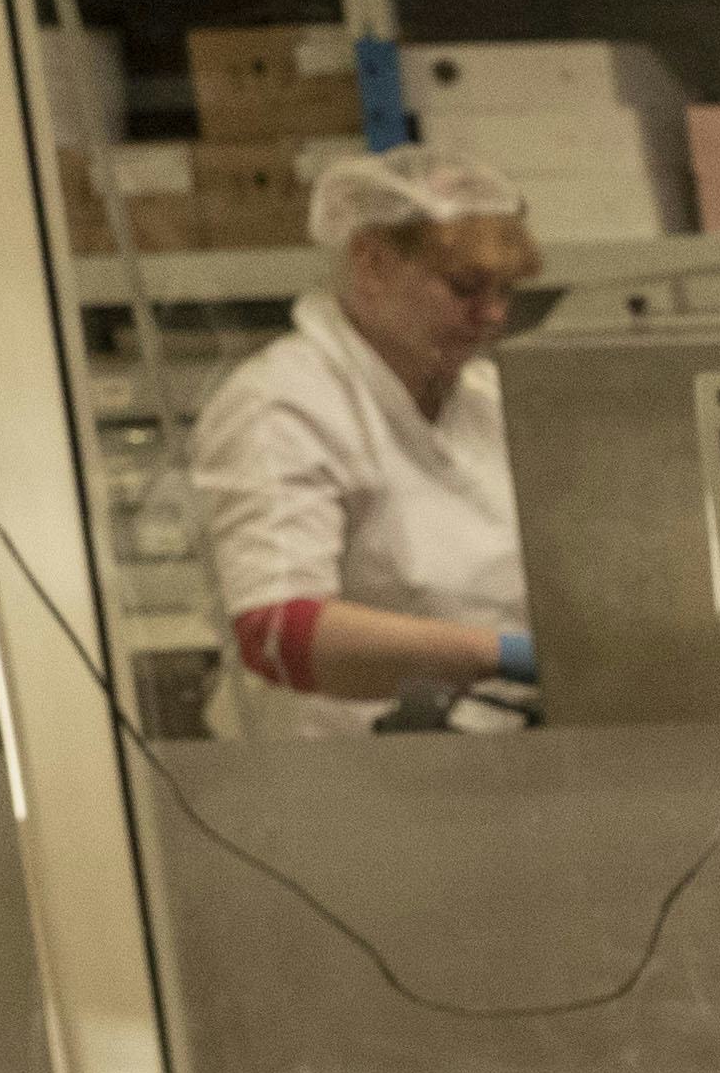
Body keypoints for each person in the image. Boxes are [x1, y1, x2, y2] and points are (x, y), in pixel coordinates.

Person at [194, 146, 542, 733]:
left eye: (505, 292)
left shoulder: (485, 398)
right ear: (373, 262)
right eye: (466, 287)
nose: (494, 315)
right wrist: (500, 656)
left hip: (488, 750)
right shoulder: (282, 405)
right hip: (339, 773)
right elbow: (277, 632)